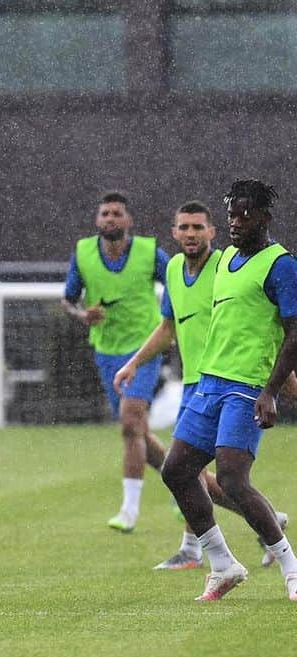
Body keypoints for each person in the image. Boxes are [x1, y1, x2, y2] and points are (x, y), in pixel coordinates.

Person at [114, 200, 288, 569]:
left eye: (198, 227)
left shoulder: (229, 265)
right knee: (189, 472)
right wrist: (134, 363)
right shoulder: (175, 269)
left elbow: (262, 329)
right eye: (184, 227)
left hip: (232, 383)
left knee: (217, 474)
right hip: (198, 383)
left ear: (213, 232)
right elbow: (168, 329)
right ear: (174, 233)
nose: (191, 234)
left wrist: (276, 386)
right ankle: (217, 542)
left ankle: (253, 533)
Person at [160, 179, 297, 601]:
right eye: (232, 215)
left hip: (245, 387)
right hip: (208, 383)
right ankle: (222, 564)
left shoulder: (282, 265)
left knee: (233, 479)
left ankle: (291, 567)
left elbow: (293, 334)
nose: (235, 223)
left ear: (264, 218)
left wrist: (271, 391)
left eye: (245, 215)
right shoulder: (224, 263)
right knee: (176, 471)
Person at [61, 191, 170, 533]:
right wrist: (82, 315)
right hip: (107, 351)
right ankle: (192, 485)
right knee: (138, 432)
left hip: (144, 349)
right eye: (105, 213)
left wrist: (177, 321)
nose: (110, 219)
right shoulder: (82, 254)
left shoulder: (151, 253)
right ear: (97, 220)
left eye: (117, 213)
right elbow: (68, 300)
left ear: (128, 220)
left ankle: (129, 512)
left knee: (129, 424)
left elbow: (182, 284)